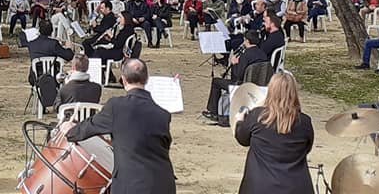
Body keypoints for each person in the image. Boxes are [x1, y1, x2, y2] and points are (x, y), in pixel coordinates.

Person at [63, 59, 175, 194]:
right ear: (146, 79)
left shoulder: (116, 106)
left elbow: (89, 127)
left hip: (132, 185)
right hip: (164, 184)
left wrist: (70, 131)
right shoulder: (163, 114)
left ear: (123, 80)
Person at [234, 72, 315, 194]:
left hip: (260, 187)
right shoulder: (304, 122)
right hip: (296, 187)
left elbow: (242, 139)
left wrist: (240, 121)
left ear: (270, 91)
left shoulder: (257, 116)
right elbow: (307, 148)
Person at [202, 35, 270, 126]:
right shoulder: (262, 54)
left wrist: (234, 64)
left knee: (216, 81)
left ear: (247, 41)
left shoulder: (245, 55)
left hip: (242, 84)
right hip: (260, 84)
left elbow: (237, 75)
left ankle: (213, 112)